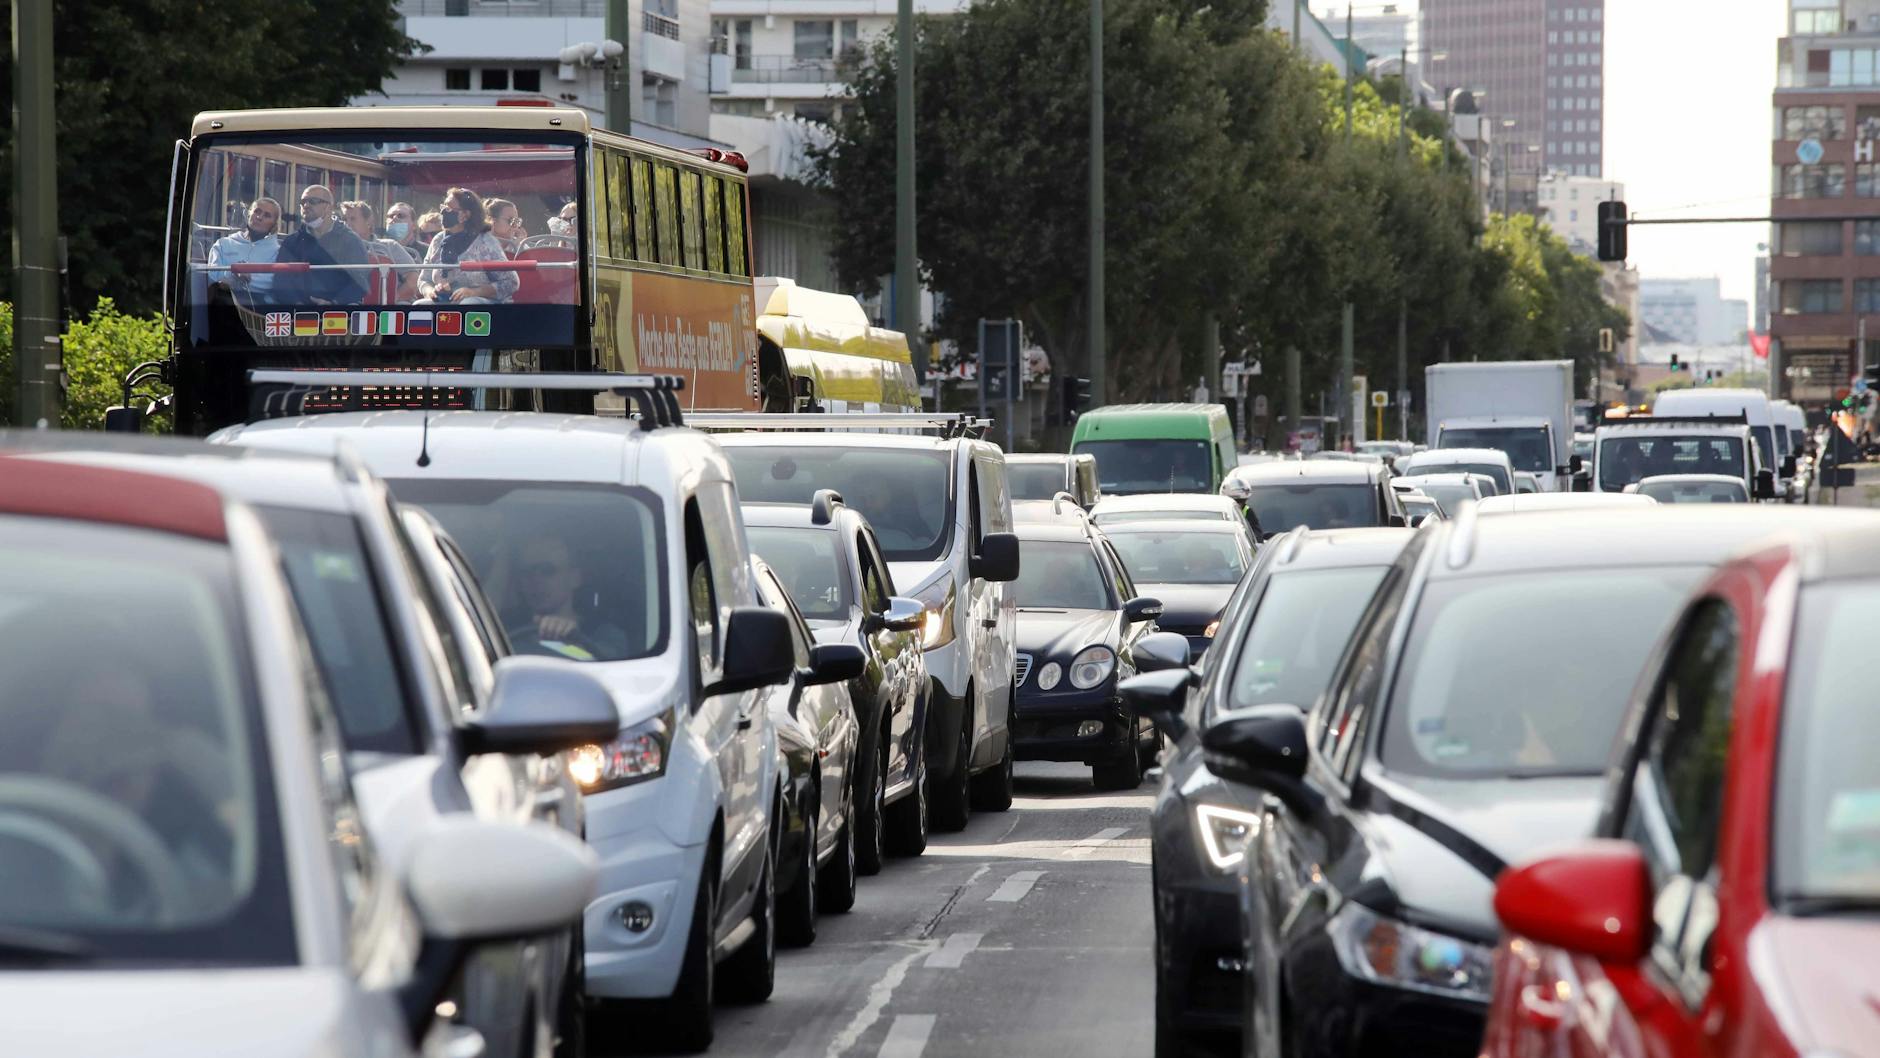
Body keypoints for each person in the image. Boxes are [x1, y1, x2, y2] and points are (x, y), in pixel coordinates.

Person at [509, 534, 628, 660]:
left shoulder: (604, 634)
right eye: (526, 572)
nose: (535, 580)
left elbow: (607, 665)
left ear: (575, 578)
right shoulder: (503, 631)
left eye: (547, 570)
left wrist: (568, 645)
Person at [416, 187, 518, 305]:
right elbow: (424, 280)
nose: (443, 212)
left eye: (449, 209)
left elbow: (510, 282)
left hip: (482, 302)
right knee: (420, 305)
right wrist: (431, 292)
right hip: (446, 301)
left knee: (468, 304)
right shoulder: (438, 240)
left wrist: (473, 292)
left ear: (465, 215)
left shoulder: (485, 241)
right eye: (443, 207)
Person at [274, 184, 368, 305]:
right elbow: (280, 280)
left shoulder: (350, 240)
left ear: (329, 207)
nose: (306, 205)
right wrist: (296, 303)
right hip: (296, 310)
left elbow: (360, 282)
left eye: (313, 201)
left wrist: (334, 303)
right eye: (303, 202)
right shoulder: (291, 242)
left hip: (338, 309)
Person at [206, 197, 282, 302]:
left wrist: (249, 277)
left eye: (267, 215)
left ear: (274, 224)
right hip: (223, 300)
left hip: (259, 305)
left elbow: (274, 281)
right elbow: (213, 275)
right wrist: (234, 274)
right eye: (257, 211)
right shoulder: (223, 244)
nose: (259, 217)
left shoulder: (277, 251)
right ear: (248, 214)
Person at [341, 200, 418, 302]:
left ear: (368, 222)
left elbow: (413, 278)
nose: (347, 224)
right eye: (344, 219)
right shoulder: (338, 249)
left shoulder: (390, 246)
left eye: (352, 219)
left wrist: (394, 298)